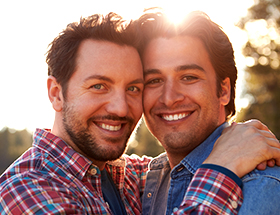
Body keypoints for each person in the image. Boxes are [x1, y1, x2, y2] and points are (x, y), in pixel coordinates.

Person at [0, 12, 279, 215]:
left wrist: (240, 144)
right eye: (99, 86)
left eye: (134, 87)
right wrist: (221, 168)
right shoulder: (27, 189)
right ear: (56, 93)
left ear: (225, 90)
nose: (121, 108)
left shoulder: (133, 179)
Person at [137, 10, 280, 214]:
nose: (169, 98)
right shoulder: (145, 183)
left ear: (224, 91)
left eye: (188, 77)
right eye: (154, 80)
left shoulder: (261, 185)